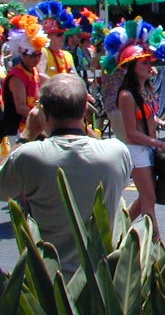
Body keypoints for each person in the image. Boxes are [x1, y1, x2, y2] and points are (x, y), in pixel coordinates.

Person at [0, 74, 131, 280]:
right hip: (102, 281)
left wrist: (27, 135)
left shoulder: (28, 156)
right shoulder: (117, 152)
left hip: (51, 281)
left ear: (43, 113)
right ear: (85, 111)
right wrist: (85, 125)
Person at [103, 18, 165, 239]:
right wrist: (160, 144)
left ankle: (117, 233)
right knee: (149, 199)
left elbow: (149, 117)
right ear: (132, 67)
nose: (150, 66)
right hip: (136, 150)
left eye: (150, 61)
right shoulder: (126, 95)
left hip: (148, 147)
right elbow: (131, 133)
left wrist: (163, 124)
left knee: (146, 197)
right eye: (144, 63)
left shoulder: (147, 88)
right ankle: (155, 245)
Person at [1, 15, 48, 143]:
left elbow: (49, 81)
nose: (37, 59)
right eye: (33, 55)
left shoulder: (34, 71)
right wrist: (44, 121)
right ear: (23, 54)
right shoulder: (17, 76)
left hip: (31, 127)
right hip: (16, 130)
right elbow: (21, 107)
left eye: (39, 55)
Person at [28, 1, 77, 80]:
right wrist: (56, 85)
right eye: (59, 35)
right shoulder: (43, 52)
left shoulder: (68, 55)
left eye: (63, 34)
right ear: (48, 37)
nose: (63, 37)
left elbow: (75, 77)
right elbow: (40, 75)